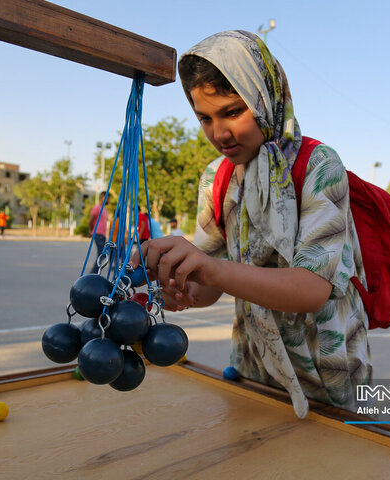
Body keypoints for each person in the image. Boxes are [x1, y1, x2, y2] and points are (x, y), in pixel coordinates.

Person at [131, 31, 370, 418]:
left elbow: (311, 289)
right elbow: (208, 287)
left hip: (330, 381)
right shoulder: (217, 178)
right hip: (253, 373)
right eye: (204, 118)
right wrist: (180, 284)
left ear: (266, 97)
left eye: (232, 111)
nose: (218, 133)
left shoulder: (318, 166)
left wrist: (212, 269)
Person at [89, 192, 108, 273]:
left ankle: (94, 273)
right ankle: (93, 273)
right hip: (98, 234)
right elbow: (90, 221)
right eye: (107, 198)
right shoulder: (97, 208)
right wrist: (91, 231)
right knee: (102, 254)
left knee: (102, 254)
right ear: (102, 197)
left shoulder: (104, 209)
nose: (108, 200)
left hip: (102, 234)